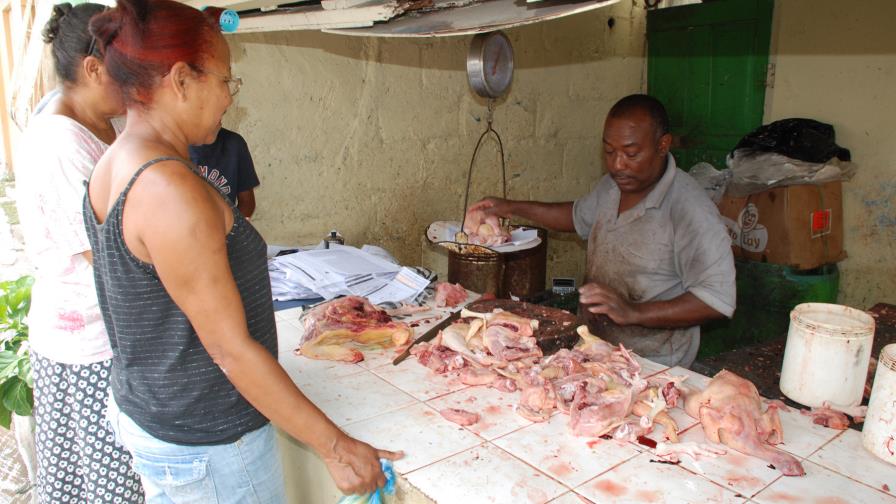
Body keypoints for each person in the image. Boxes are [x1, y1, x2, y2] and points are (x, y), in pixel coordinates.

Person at [84, 1, 400, 501]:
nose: (229, 97)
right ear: (181, 79)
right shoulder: (168, 189)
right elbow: (230, 350)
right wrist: (336, 447)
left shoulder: (115, 160)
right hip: (210, 443)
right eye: (225, 80)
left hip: (162, 413)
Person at [468, 94, 735, 368]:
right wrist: (511, 207)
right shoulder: (613, 186)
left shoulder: (690, 210)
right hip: (594, 348)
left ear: (662, 145)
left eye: (631, 153)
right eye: (609, 152)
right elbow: (575, 216)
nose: (618, 164)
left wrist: (633, 312)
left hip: (652, 365)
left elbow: (716, 300)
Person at [13, 4, 144, 503]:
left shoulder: (99, 124)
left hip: (101, 335)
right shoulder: (61, 145)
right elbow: (108, 258)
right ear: (92, 69)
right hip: (87, 345)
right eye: (124, 70)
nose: (134, 83)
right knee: (111, 486)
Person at [189, 127, 259, 218]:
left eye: (223, 113)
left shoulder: (234, 144)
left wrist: (232, 229)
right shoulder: (173, 147)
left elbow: (247, 202)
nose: (221, 116)